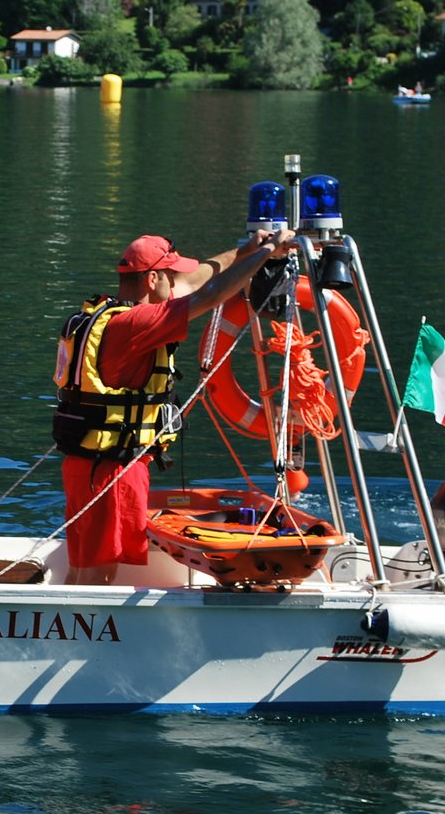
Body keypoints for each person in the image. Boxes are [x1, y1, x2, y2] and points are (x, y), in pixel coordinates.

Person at [53, 228, 297, 585]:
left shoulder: (114, 314)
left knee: (85, 565)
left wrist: (247, 251)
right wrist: (268, 254)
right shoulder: (140, 324)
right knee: (97, 576)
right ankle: (84, 639)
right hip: (111, 472)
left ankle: (77, 635)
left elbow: (199, 281)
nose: (179, 281)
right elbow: (210, 295)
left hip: (85, 465)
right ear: (153, 278)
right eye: (172, 275)